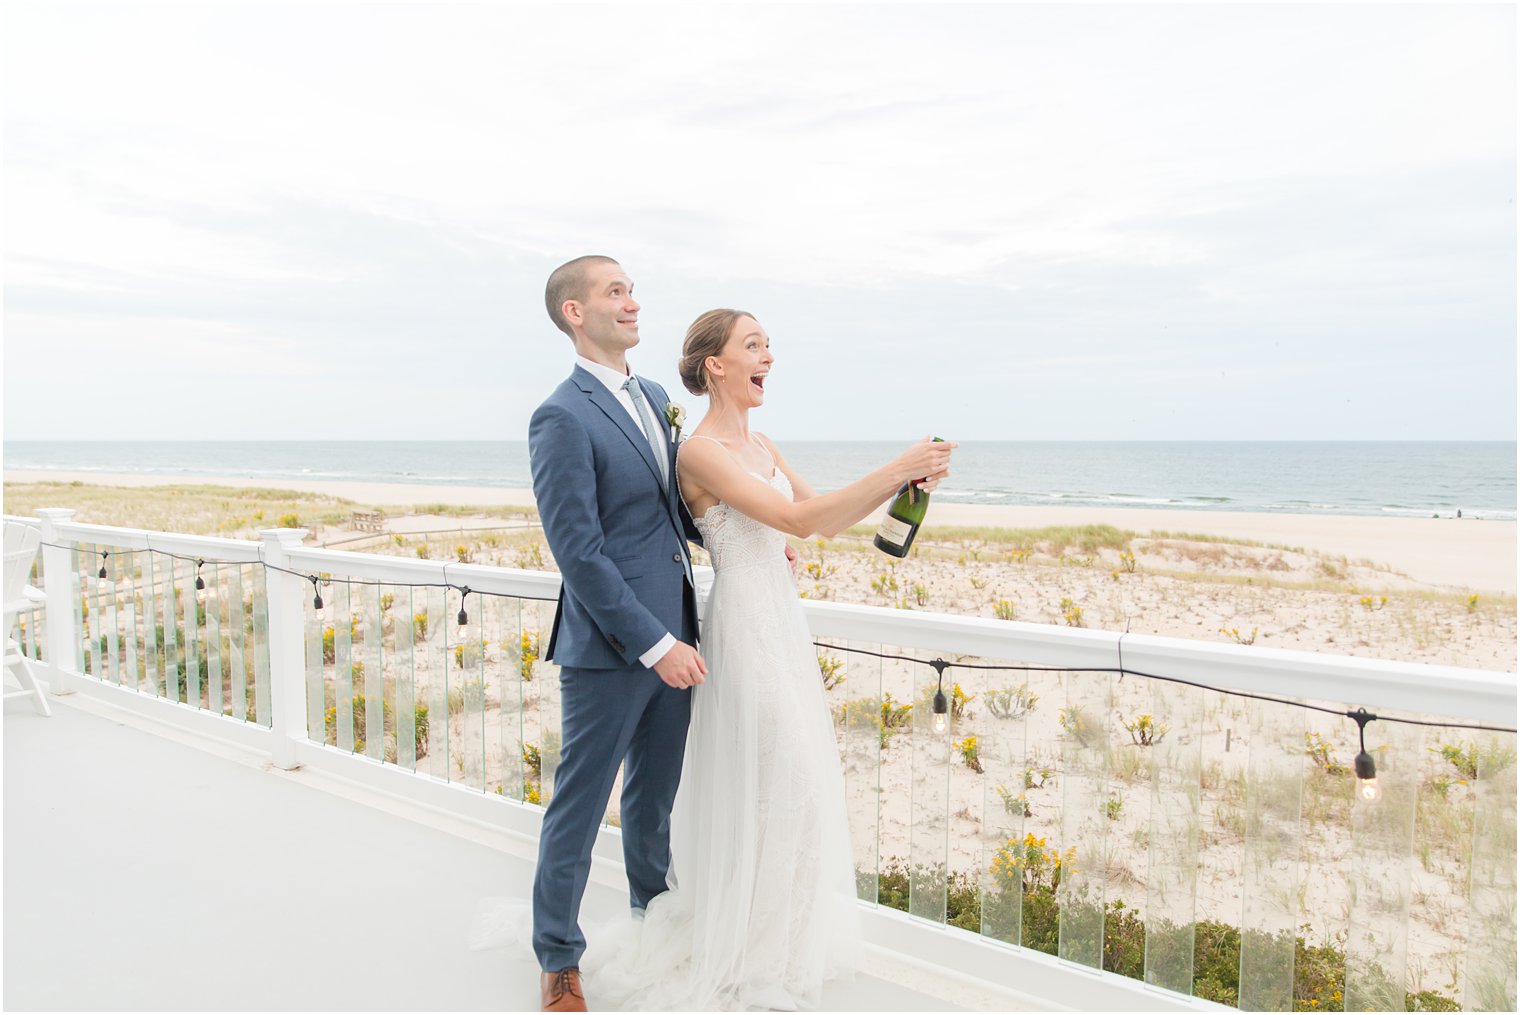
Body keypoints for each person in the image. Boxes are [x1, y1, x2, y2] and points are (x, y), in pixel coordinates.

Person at [577, 308, 955, 1010]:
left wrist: (904, 490)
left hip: (784, 626)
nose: (768, 356)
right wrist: (895, 462)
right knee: (787, 782)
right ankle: (748, 960)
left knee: (802, 786)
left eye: (769, 345)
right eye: (753, 345)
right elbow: (794, 522)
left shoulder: (765, 445)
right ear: (715, 365)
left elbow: (827, 521)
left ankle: (775, 949)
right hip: (744, 628)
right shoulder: (699, 451)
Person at [526, 255, 707, 1012]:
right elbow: (579, 550)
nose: (633, 302)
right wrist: (652, 643)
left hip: (679, 624)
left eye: (632, 290)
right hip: (611, 644)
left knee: (653, 799)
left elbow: (670, 511)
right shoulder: (560, 415)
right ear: (575, 311)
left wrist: (735, 535)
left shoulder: (658, 396)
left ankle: (650, 922)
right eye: (615, 291)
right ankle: (559, 960)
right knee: (581, 798)